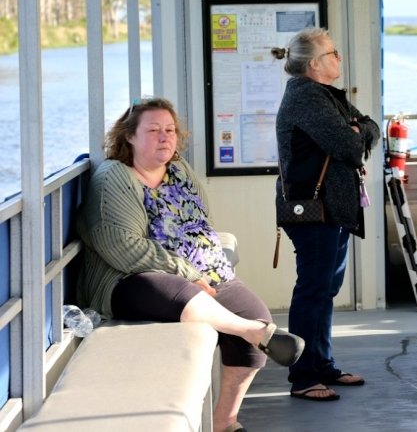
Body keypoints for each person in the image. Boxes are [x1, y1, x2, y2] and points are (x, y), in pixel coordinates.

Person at [76, 97, 304, 432]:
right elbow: (121, 246)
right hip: (127, 279)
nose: (164, 137)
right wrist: (189, 273)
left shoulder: (179, 170)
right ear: (129, 137)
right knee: (191, 298)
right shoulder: (115, 178)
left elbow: (201, 222)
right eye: (153, 130)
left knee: (256, 313)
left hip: (203, 272)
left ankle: (224, 421)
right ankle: (253, 332)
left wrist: (205, 270)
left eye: (169, 130)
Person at [272, 28, 380, 402]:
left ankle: (322, 364)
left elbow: (369, 126)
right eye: (333, 53)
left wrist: (357, 128)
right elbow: (350, 146)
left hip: (333, 209)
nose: (339, 58)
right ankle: (303, 377)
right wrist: (354, 131)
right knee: (313, 291)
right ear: (314, 64)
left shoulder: (326, 96)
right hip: (313, 211)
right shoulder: (306, 98)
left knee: (325, 291)